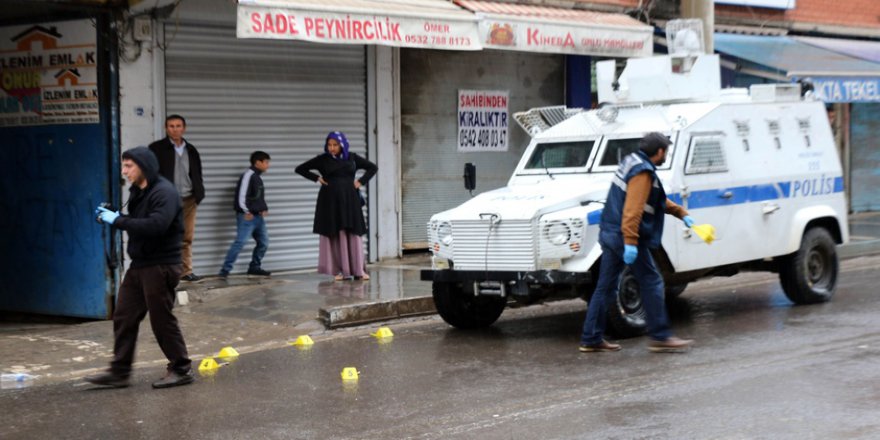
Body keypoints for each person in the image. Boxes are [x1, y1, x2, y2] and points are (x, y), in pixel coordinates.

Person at [87, 146, 194, 389]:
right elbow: (138, 222)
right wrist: (114, 215)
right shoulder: (139, 191)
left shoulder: (164, 192)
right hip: (140, 264)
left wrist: (119, 220)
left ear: (144, 166)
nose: (124, 171)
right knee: (124, 315)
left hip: (161, 265)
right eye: (123, 165)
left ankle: (181, 368)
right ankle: (119, 372)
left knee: (161, 319)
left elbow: (156, 225)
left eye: (129, 166)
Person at [579, 133, 696, 353]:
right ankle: (660, 336)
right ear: (660, 151)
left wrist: (680, 212)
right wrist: (631, 242)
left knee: (605, 287)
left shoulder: (631, 162)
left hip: (611, 232)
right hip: (625, 236)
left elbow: (653, 198)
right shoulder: (642, 172)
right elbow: (633, 211)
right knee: (652, 281)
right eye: (666, 152)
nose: (665, 156)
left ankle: (591, 338)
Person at [295, 131, 377, 281]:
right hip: (330, 201)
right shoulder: (323, 160)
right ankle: (339, 270)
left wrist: (360, 182)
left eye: (335, 145)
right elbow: (300, 169)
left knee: (353, 231)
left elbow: (372, 168)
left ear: (342, 145)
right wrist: (317, 178)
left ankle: (358, 270)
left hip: (350, 200)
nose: (332, 148)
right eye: (329, 145)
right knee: (334, 232)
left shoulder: (352, 158)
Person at [149, 114, 205, 282]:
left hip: (189, 199)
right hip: (166, 200)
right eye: (171, 126)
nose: (175, 129)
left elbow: (197, 173)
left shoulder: (191, 149)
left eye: (178, 126)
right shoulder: (156, 148)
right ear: (166, 129)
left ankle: (185, 271)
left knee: (186, 237)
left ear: (184, 128)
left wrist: (198, 192)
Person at [219, 151, 272, 278]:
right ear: (258, 162)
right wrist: (246, 211)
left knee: (264, 243)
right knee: (240, 242)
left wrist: (263, 208)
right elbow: (241, 197)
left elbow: (256, 197)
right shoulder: (249, 175)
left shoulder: (257, 177)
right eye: (266, 162)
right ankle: (224, 271)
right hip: (248, 217)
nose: (268, 165)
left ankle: (254, 267)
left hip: (258, 217)